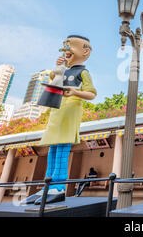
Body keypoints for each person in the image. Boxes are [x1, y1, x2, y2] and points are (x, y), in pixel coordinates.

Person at [22, 35, 96, 205]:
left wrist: (75, 92)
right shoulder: (64, 70)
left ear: (85, 51)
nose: (66, 49)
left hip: (70, 110)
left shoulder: (82, 72)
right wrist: (57, 70)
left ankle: (59, 186)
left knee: (62, 146)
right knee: (53, 148)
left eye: (70, 46)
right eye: (65, 45)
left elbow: (91, 93)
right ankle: (48, 185)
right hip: (56, 109)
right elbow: (53, 83)